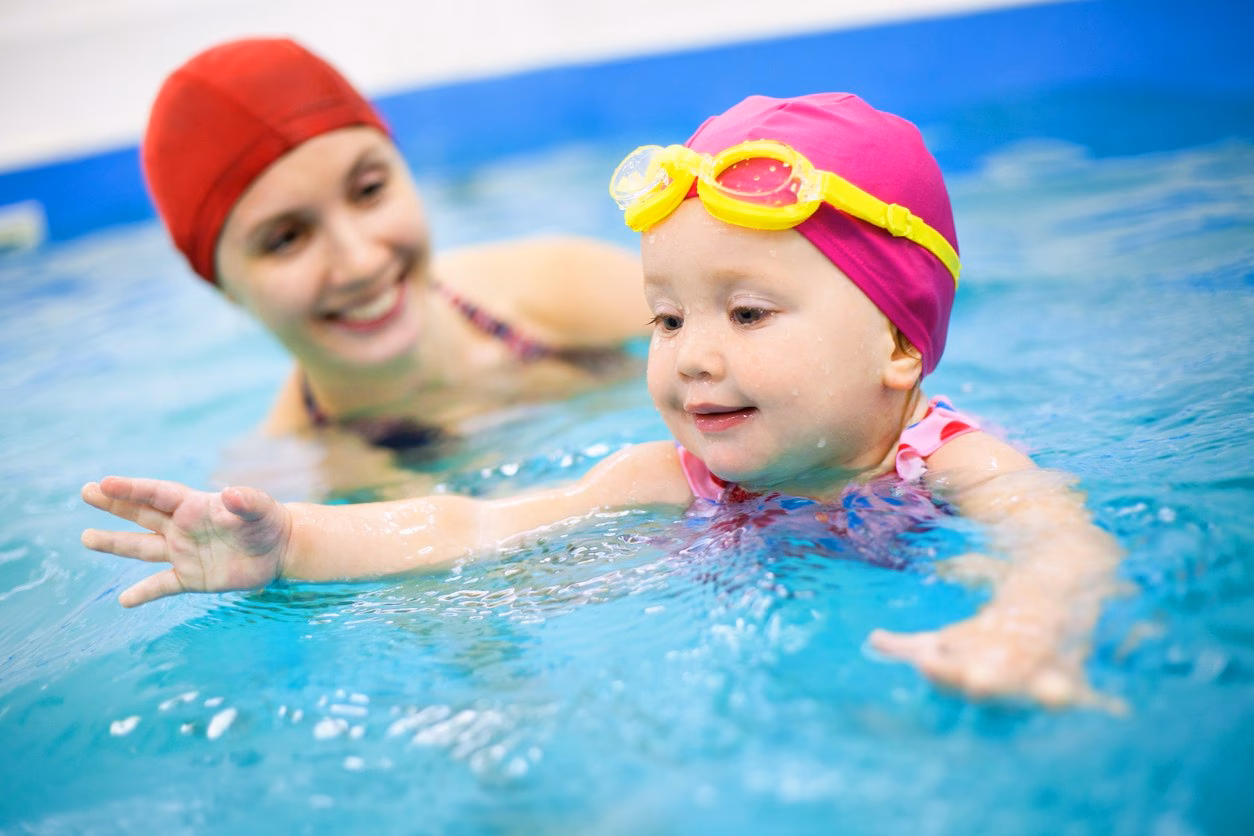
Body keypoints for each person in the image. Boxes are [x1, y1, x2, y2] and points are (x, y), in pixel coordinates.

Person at [84, 93, 1122, 709]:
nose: (688, 359)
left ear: (899, 342)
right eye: (665, 319)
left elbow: (1062, 543)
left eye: (747, 313)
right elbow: (473, 522)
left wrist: (1027, 628)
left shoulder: (949, 460)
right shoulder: (666, 476)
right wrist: (294, 546)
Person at [141, 37, 650, 456]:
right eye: (286, 239)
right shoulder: (288, 490)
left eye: (369, 191)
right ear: (223, 287)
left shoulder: (566, 285)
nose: (360, 261)